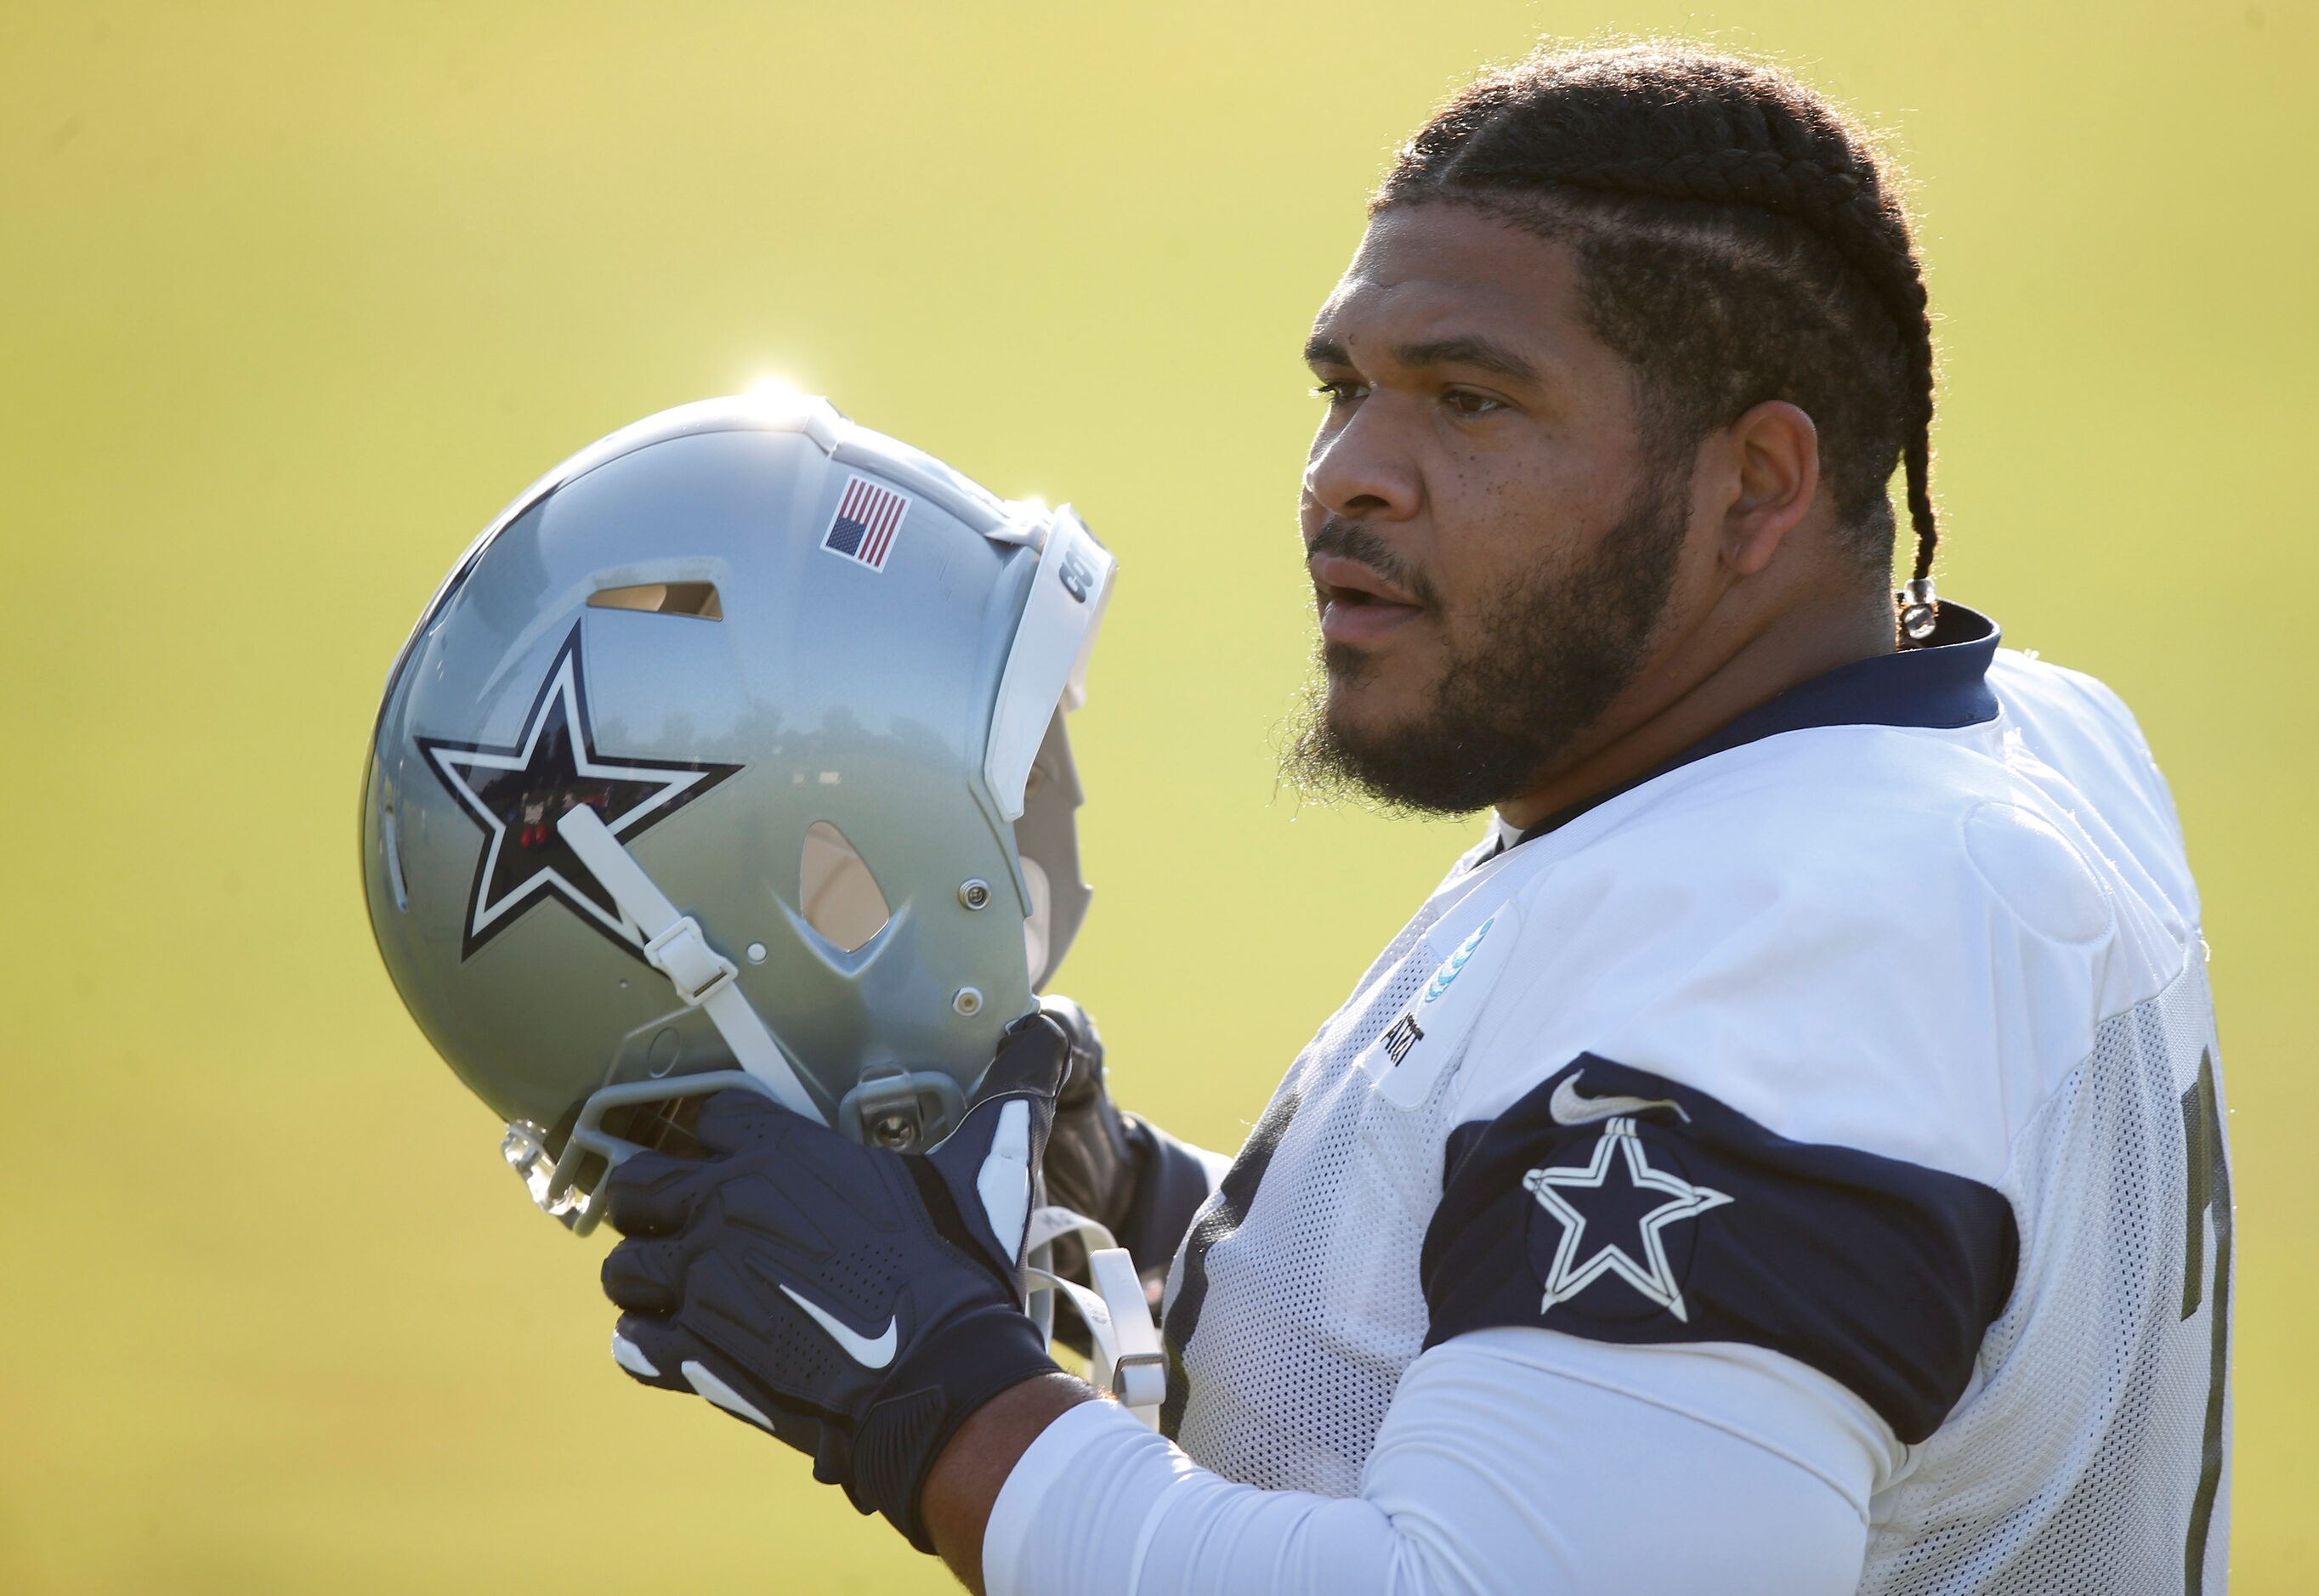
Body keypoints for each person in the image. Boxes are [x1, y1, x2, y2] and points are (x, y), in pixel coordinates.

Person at [596, 43, 2231, 1593]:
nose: (1346, 475)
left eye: (1469, 399)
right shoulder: (1984, 745)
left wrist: (943, 1395)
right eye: (1343, 387)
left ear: (1759, 487)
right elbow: (1627, 1376)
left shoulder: (1785, 946)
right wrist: (1144, 1201)